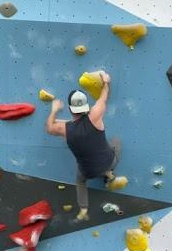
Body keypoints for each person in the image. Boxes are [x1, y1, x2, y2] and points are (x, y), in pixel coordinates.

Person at [45, 71, 124, 221]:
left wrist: (54, 110)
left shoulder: (64, 129)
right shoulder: (95, 114)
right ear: (86, 106)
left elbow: (49, 127)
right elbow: (104, 97)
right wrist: (106, 82)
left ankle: (83, 208)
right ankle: (109, 175)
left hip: (88, 172)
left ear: (70, 109)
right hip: (109, 161)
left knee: (80, 181)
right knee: (116, 142)